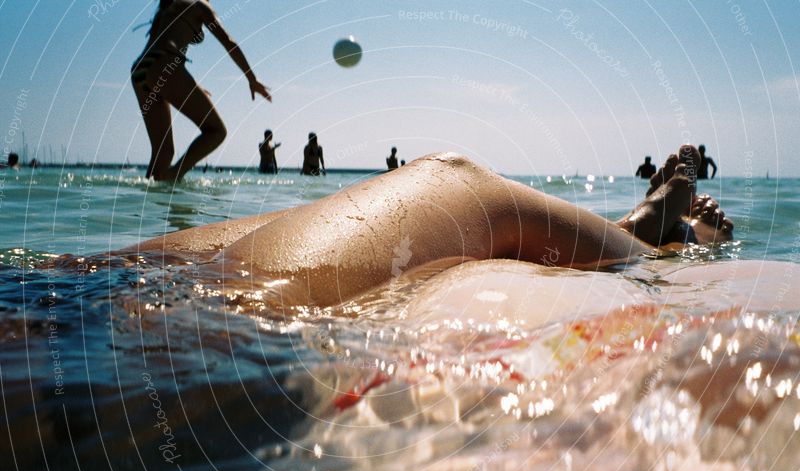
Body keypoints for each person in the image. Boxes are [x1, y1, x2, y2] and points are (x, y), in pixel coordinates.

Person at [125, 145, 731, 308]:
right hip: (193, 327)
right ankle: (651, 239)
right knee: (457, 182)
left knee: (248, 235)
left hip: (89, 293)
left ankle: (630, 228)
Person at [131, 0, 271, 182]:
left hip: (142, 69)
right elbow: (228, 42)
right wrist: (251, 78)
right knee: (216, 131)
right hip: (164, 65)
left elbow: (166, 44)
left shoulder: (169, 5)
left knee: (163, 151)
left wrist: (191, 86)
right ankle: (172, 177)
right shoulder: (200, 5)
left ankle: (148, 202)